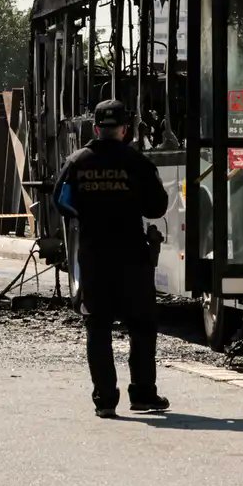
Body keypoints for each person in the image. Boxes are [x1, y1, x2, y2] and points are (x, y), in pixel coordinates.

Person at [53, 99, 170, 418]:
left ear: (95, 129)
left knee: (98, 326)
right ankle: (143, 395)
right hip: (132, 255)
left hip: (93, 255)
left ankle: (105, 400)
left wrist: (89, 215)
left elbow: (61, 202)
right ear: (125, 130)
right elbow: (156, 208)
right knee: (142, 327)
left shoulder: (76, 162)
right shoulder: (137, 162)